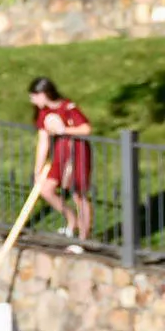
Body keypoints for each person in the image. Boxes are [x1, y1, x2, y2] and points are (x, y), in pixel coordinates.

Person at [32, 76, 96, 247]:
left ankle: (83, 239)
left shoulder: (68, 107)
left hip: (77, 153)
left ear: (43, 94)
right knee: (46, 189)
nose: (32, 100)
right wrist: (37, 170)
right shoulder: (43, 112)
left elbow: (86, 129)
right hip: (61, 155)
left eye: (34, 95)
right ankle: (71, 220)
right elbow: (43, 140)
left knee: (78, 195)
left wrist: (64, 130)